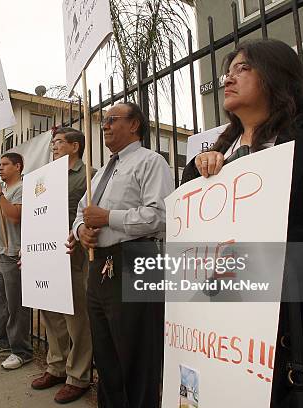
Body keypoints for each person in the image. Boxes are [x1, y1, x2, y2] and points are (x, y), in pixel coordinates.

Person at [182, 38, 303, 407]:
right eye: (227, 71)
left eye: (243, 68)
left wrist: (262, 256)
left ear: (276, 76)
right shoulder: (209, 161)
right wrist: (200, 174)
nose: (228, 79)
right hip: (228, 334)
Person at [68, 102, 172, 407]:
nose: (105, 126)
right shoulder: (100, 174)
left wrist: (108, 218)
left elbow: (161, 216)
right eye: (103, 121)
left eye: (112, 120)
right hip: (99, 265)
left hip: (137, 259)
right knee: (106, 353)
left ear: (135, 124)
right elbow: (82, 212)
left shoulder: (151, 162)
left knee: (137, 355)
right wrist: (80, 232)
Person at [30, 128, 95, 404]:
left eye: (58, 142)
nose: (53, 146)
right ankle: (56, 366)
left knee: (75, 314)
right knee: (50, 309)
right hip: (45, 252)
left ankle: (78, 376)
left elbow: (90, 211)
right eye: (53, 142)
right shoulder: (46, 177)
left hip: (73, 251)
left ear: (75, 146)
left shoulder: (88, 174)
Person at [0, 152, 33, 370]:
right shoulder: (3, 190)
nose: (1, 168)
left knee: (16, 304)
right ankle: (4, 341)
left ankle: (21, 350)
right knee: (1, 302)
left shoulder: (22, 188)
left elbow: (15, 216)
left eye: (5, 164)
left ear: (18, 166)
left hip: (12, 251)